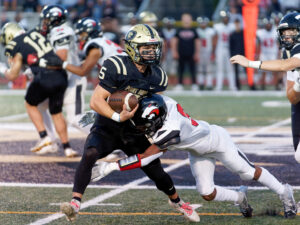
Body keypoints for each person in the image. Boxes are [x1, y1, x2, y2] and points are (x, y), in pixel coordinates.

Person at [60, 24, 199, 223]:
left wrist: (154, 131)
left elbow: (156, 105)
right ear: (133, 48)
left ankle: (177, 202)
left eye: (153, 47)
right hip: (108, 125)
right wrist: (118, 117)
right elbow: (96, 100)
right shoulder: (116, 65)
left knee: (156, 171)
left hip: (135, 130)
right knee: (90, 153)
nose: (152, 52)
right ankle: (75, 202)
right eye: (146, 48)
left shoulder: (158, 75)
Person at [92, 94, 297, 219]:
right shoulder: (163, 104)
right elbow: (141, 104)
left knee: (246, 172)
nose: (143, 128)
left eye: (146, 125)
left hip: (217, 141)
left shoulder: (170, 130)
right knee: (206, 192)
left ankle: (284, 192)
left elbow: (146, 157)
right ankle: (240, 197)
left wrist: (111, 167)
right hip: (197, 150)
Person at [230, 12, 300, 164]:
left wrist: (250, 63)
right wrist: (298, 85)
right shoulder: (288, 52)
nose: (287, 36)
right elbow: (292, 97)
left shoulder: (294, 54)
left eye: (291, 32)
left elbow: (285, 65)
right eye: (284, 33)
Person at [0, 22, 72, 157]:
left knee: (30, 103)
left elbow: (13, 75)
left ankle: (44, 137)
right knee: (56, 112)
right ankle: (66, 147)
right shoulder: (36, 33)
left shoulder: (14, 44)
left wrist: (3, 69)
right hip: (61, 74)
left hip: (45, 76)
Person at [32, 4, 86, 156]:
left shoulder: (61, 31)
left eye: (47, 19)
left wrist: (38, 64)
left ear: (55, 20)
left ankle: (108, 141)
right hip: (59, 80)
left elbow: (60, 57)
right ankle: (51, 140)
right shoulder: (56, 31)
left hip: (72, 79)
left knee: (76, 118)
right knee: (39, 105)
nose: (45, 23)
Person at [171, 13, 200, 91]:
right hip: (181, 53)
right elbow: (174, 41)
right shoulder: (179, 30)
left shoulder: (194, 30)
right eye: (185, 19)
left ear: (191, 20)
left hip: (191, 53)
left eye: (188, 19)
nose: (186, 20)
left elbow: (197, 42)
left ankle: (194, 84)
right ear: (182, 20)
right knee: (180, 69)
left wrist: (197, 53)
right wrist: (174, 52)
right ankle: (180, 84)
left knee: (193, 69)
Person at [212, 11, 236, 91]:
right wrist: (213, 51)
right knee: (220, 68)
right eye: (224, 17)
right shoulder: (217, 27)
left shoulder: (232, 26)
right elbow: (215, 39)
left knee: (230, 68)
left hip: (229, 49)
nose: (225, 19)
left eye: (227, 17)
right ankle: (219, 86)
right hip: (220, 48)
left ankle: (232, 86)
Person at [256, 18, 279, 90]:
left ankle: (276, 86)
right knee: (263, 71)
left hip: (273, 53)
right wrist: (257, 55)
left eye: (269, 24)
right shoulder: (261, 32)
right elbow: (258, 44)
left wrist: (279, 54)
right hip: (264, 54)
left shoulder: (275, 31)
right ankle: (263, 86)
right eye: (267, 24)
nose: (268, 25)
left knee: (275, 71)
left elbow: (278, 44)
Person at [196, 16, 215, 90]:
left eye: (204, 23)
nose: (203, 24)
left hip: (208, 51)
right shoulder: (197, 31)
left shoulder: (211, 31)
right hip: (200, 51)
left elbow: (214, 41)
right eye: (201, 23)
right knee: (200, 68)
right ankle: (200, 83)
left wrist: (213, 52)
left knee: (209, 68)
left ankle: (209, 84)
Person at [229, 18, 244, 90]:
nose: (237, 26)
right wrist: (232, 56)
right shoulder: (232, 34)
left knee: (248, 69)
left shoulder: (243, 33)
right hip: (236, 54)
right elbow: (231, 46)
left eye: (238, 24)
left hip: (243, 54)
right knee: (236, 71)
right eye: (236, 24)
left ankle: (251, 84)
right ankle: (237, 85)